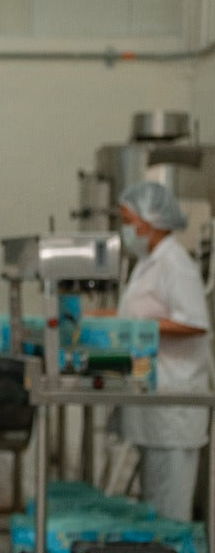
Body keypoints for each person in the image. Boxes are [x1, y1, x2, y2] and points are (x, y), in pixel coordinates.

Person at [114, 181, 212, 521]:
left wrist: (143, 328)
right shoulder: (147, 262)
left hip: (175, 403)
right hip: (154, 399)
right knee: (154, 508)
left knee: (172, 511)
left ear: (149, 221)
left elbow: (195, 323)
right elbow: (135, 315)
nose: (125, 229)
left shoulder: (176, 263)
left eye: (127, 220)